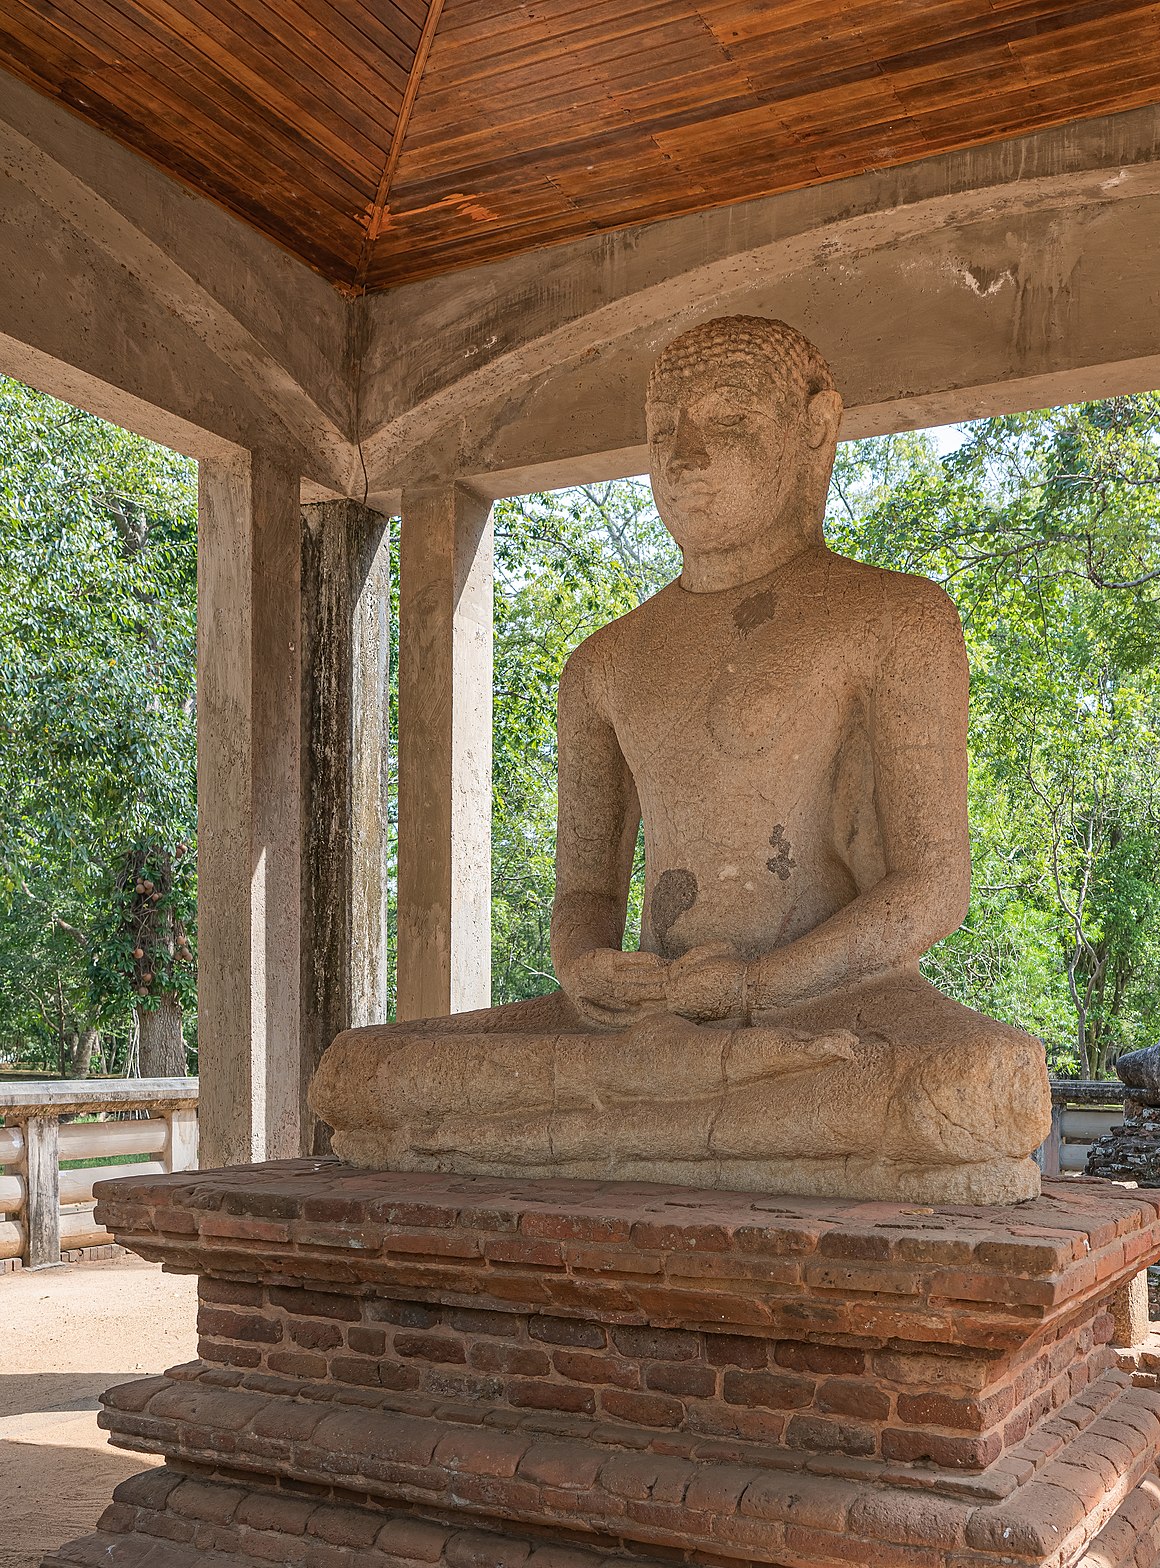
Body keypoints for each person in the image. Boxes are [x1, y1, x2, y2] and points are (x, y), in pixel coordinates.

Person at [312, 316, 1051, 1203]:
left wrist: (758, 987)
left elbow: (932, 885)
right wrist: (587, 966)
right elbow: (585, 896)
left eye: (728, 419)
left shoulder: (892, 619)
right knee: (359, 1070)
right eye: (663, 429)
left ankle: (652, 1113)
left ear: (813, 431)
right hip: (641, 1022)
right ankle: (709, 1109)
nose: (685, 455)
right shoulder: (605, 662)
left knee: (972, 1081)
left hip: (825, 1006)